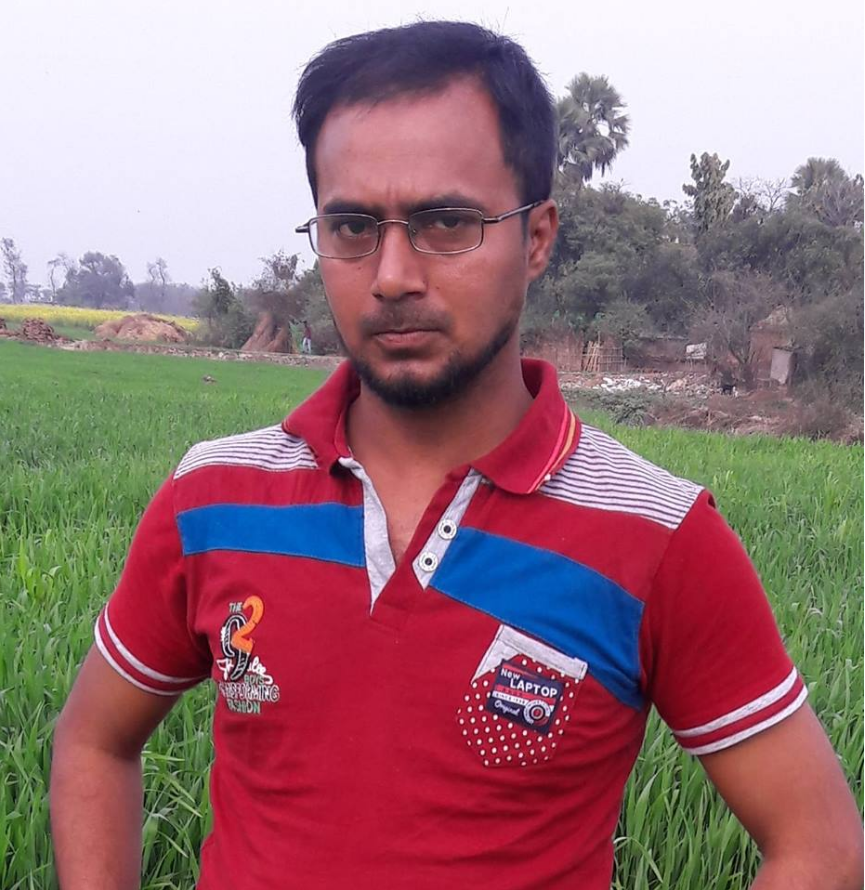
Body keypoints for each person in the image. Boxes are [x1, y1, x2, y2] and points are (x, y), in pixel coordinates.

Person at [50, 21, 862, 890]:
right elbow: (95, 739)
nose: (392, 274)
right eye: (352, 226)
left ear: (537, 237)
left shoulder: (657, 536)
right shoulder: (213, 496)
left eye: (445, 223)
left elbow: (820, 846)